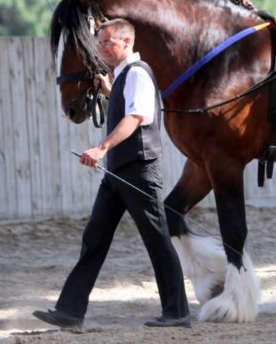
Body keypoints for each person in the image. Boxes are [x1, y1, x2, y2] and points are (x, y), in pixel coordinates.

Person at [33, 18, 191, 328]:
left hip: (138, 171)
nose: (102, 49)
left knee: (157, 241)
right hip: (118, 173)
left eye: (107, 43)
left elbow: (135, 117)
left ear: (127, 42)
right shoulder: (123, 77)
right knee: (95, 237)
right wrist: (108, 90)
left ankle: (178, 312)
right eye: (100, 43)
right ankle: (69, 311)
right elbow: (123, 102)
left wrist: (102, 148)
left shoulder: (138, 74)